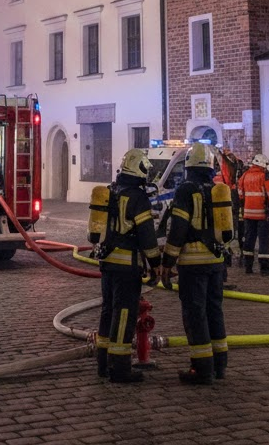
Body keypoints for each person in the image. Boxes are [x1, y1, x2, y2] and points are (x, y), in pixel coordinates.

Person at [160, 143, 233, 384]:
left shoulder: (186, 190)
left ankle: (201, 369)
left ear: (189, 167)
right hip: (216, 261)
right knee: (214, 310)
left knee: (195, 314)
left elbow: (178, 229)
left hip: (192, 263)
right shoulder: (216, 189)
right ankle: (219, 365)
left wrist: (167, 262)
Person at [87, 148, 161, 384]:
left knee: (108, 311)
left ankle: (103, 362)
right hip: (127, 266)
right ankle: (120, 368)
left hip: (107, 263)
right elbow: (147, 237)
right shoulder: (138, 198)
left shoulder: (111, 192)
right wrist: (156, 263)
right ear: (138, 169)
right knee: (124, 314)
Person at [237, 153, 269, 275]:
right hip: (262, 214)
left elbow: (239, 192)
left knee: (249, 239)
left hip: (248, 213)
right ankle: (264, 267)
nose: (266, 168)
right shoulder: (264, 176)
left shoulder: (245, 175)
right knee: (263, 240)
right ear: (262, 164)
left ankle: (248, 266)